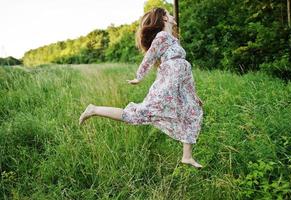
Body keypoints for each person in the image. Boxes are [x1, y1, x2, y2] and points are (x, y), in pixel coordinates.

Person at [79, 7, 204, 168]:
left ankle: (187, 156)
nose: (173, 16)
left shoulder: (173, 39)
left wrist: (193, 95)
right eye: (169, 13)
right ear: (164, 18)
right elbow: (149, 57)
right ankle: (94, 110)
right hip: (166, 87)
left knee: (193, 112)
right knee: (137, 115)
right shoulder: (162, 36)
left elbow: (185, 73)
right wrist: (139, 77)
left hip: (178, 86)